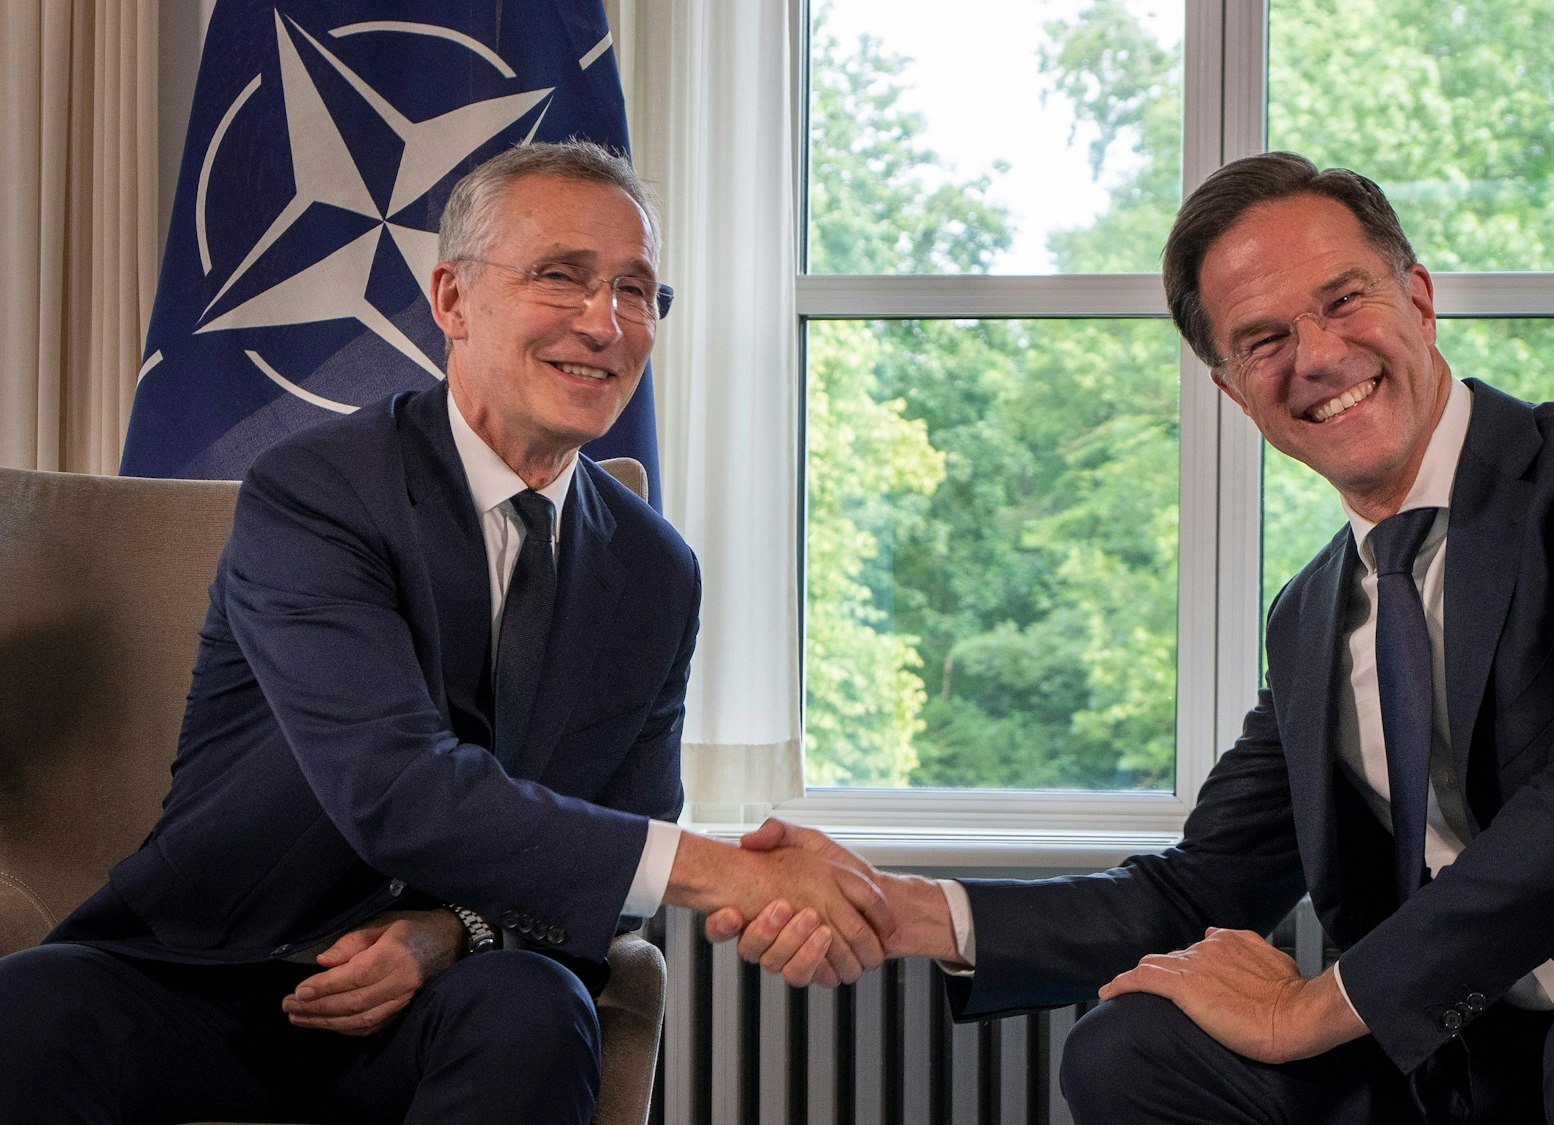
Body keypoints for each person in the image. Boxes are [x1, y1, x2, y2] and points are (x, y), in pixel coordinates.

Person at [710, 153, 1554, 1123]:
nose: (1315, 356)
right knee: (1130, 1050)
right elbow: (1195, 893)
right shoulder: (1315, 611)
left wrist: (1312, 1009)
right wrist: (901, 912)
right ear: (1227, 387)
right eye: (1261, 339)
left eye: (1342, 302)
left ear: (1420, 297)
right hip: (1486, 1038)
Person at [0, 140, 889, 1124]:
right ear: (453, 301)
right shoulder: (317, 491)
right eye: (562, 277)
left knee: (534, 1005)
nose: (605, 323)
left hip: (436, 1007)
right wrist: (729, 869)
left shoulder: (653, 570)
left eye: (637, 291)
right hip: (201, 976)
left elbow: (618, 858)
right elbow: (394, 786)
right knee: (30, 1010)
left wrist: (450, 933)